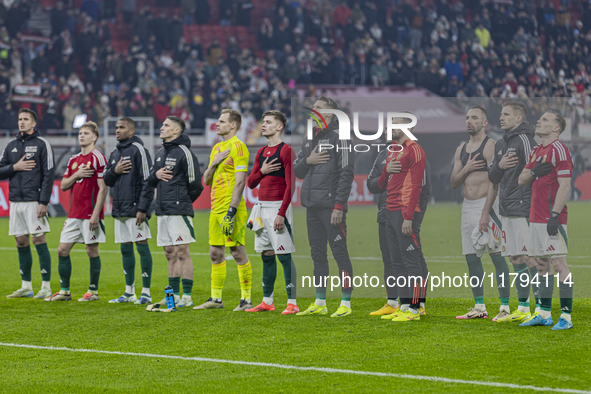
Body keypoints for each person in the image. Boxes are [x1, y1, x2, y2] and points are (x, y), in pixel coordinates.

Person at [293, 96, 355, 318]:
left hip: (331, 207)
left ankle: (346, 303)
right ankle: (320, 301)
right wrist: (307, 161)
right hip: (311, 205)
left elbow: (346, 173)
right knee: (317, 255)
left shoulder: (342, 137)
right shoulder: (310, 137)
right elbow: (298, 171)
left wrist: (339, 205)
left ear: (330, 114)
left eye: (318, 108)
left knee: (340, 254)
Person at [450, 106, 511, 320]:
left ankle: (505, 308)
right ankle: (479, 307)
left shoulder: (490, 146)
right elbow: (454, 182)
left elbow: (495, 182)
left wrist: (486, 212)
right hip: (467, 207)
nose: (469, 121)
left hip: (488, 207)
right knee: (471, 258)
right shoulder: (461, 149)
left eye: (474, 118)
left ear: (484, 122)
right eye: (467, 117)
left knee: (497, 257)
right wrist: (466, 169)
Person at [518, 110, 574, 330]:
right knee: (541, 265)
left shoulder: (560, 149)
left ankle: (566, 317)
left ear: (556, 128)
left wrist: (555, 215)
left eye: (545, 120)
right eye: (539, 119)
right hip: (535, 217)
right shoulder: (535, 150)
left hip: (552, 217)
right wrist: (534, 173)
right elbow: (522, 179)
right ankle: (544, 313)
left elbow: (566, 185)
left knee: (560, 265)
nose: (539, 121)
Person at [367, 132, 431, 318]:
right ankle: (396, 302)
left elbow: (422, 188)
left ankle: (418, 304)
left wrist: (413, 217)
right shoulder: (385, 153)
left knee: (413, 259)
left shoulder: (415, 152)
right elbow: (373, 184)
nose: (386, 131)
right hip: (386, 212)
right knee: (391, 259)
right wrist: (386, 170)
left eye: (391, 127)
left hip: (407, 213)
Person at [194, 109, 252, 311]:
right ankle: (215, 299)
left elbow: (240, 182)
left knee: (237, 251)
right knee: (215, 253)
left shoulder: (239, 147)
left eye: (221, 121)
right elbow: (207, 180)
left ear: (233, 125)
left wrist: (232, 211)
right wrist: (215, 162)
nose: (217, 124)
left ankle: (246, 300)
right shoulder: (217, 148)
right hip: (215, 208)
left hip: (230, 208)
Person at [488, 101, 540, 322]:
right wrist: (499, 165)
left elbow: (534, 171)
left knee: (531, 259)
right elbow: (492, 177)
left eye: (507, 114)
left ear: (519, 118)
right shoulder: (501, 144)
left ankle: (541, 308)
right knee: (515, 257)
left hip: (524, 208)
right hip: (506, 208)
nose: (501, 117)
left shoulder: (526, 141)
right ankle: (523, 308)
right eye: (501, 114)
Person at [45, 121, 108, 302]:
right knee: (62, 250)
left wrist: (96, 213)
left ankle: (93, 292)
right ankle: (65, 291)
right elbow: (64, 185)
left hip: (90, 213)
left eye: (86, 133)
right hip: (73, 214)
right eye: (80, 133)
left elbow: (103, 189)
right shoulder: (73, 160)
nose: (82, 136)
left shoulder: (98, 157)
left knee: (91, 250)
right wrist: (77, 174)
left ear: (94, 137)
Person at [245, 110, 298, 314]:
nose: (264, 125)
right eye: (263, 121)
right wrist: (263, 171)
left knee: (283, 256)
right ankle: (267, 301)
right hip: (260, 208)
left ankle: (292, 303)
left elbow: (290, 185)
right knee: (266, 254)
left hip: (277, 207)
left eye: (268, 122)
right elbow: (250, 183)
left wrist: (281, 213)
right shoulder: (260, 152)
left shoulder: (286, 151)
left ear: (279, 127)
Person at [147, 116, 203, 308]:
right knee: (169, 253)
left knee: (182, 252)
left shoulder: (184, 153)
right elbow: (149, 179)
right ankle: (173, 296)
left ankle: (186, 296)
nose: (161, 128)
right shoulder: (161, 152)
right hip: (162, 210)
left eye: (166, 125)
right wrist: (156, 174)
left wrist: (183, 202)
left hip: (178, 210)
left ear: (176, 131)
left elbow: (196, 184)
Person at [0, 108, 54, 300]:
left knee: (38, 240)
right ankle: (26, 287)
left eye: (25, 119)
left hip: (34, 201)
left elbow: (49, 175)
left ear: (34, 123)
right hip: (15, 201)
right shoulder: (11, 145)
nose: (21, 122)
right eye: (20, 119)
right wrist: (14, 167)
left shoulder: (42, 144)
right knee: (20, 241)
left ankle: (46, 287)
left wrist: (43, 202)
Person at [103, 118, 154, 305]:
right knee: (125, 249)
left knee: (141, 246)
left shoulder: (138, 150)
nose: (117, 130)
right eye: (116, 127)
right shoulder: (115, 152)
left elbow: (148, 181)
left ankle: (146, 292)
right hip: (120, 209)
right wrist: (115, 170)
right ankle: (129, 292)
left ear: (131, 131)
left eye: (122, 127)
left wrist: (143, 208)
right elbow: (107, 179)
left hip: (135, 209)